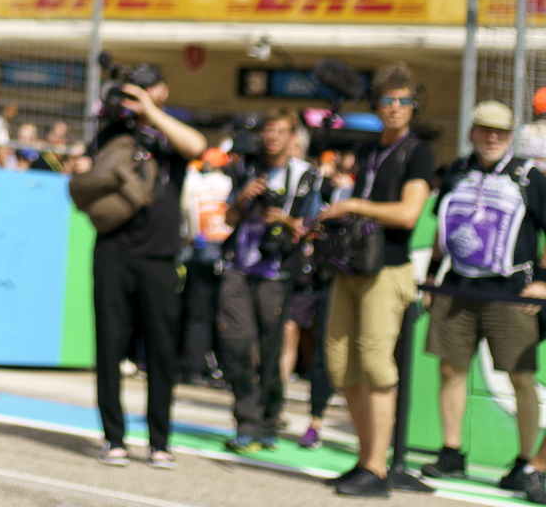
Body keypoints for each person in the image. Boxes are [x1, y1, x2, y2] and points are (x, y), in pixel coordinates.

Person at [314, 65, 435, 497]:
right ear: (376, 105)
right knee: (340, 363)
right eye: (388, 100)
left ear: (414, 106)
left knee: (375, 365)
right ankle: (366, 459)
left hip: (388, 268)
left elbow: (408, 213)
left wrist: (354, 206)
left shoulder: (418, 152)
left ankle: (377, 470)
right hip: (352, 265)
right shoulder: (366, 150)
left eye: (404, 101)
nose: (396, 108)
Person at [421, 101, 546, 496]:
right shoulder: (457, 171)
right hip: (457, 285)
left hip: (510, 291)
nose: (492, 138)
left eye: (501, 132)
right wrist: (432, 275)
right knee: (450, 368)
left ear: (510, 136)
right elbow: (443, 226)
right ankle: (451, 452)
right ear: (471, 132)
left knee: (520, 375)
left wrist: (543, 282)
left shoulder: (529, 176)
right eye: (485, 130)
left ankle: (525, 463)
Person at [90, 65, 208, 469]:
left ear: (162, 91)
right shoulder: (113, 130)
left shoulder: (170, 128)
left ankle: (160, 441)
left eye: (146, 88)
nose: (137, 95)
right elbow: (90, 165)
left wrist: (151, 112)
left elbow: (196, 147)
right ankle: (114, 438)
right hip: (113, 250)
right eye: (133, 90)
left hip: (160, 255)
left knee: (161, 349)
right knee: (109, 346)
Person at [218, 111, 319, 453]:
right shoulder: (247, 169)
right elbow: (228, 218)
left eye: (280, 131)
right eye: (268, 130)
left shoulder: (306, 176)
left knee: (271, 352)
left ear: (292, 138)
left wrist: (285, 220)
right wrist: (244, 197)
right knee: (236, 345)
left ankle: (268, 419)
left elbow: (314, 227)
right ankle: (246, 421)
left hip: (278, 274)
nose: (272, 136)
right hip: (239, 269)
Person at [180, 146, 235, 384]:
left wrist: (191, 238)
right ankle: (226, 370)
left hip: (200, 248)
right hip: (226, 250)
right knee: (226, 314)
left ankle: (194, 368)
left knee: (198, 314)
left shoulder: (196, 183)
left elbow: (186, 210)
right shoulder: (229, 183)